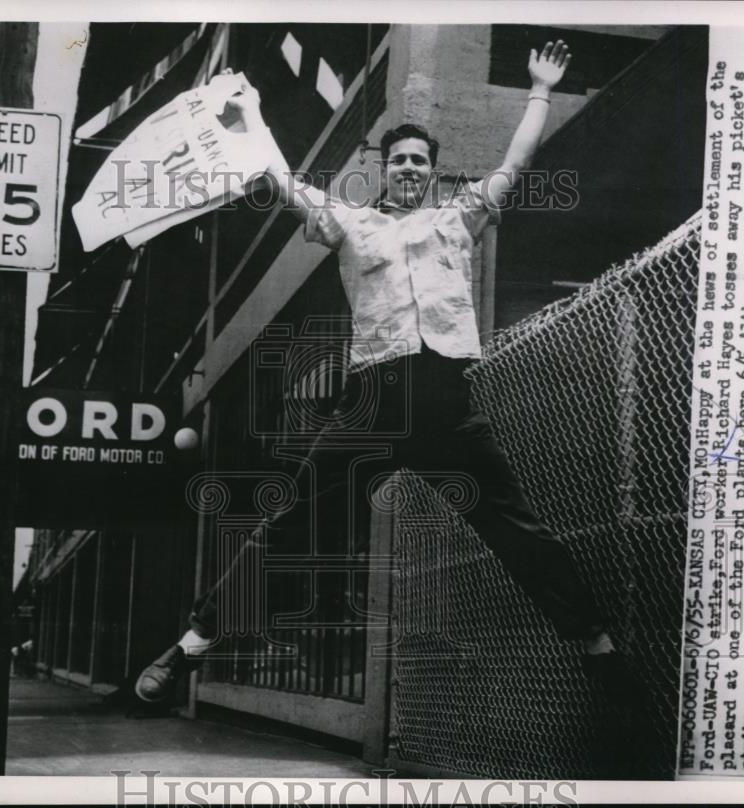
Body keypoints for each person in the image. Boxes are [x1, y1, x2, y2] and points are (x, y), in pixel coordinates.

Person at [136, 41, 642, 714]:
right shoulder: (353, 223)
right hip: (370, 403)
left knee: (517, 528)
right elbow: (284, 184)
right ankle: (191, 645)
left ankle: (595, 645)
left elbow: (515, 164)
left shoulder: (459, 218)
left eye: (419, 162)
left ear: (432, 174)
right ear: (385, 170)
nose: (409, 168)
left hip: (444, 403)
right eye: (400, 160)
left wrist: (541, 90)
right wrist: (247, 126)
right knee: (283, 524)